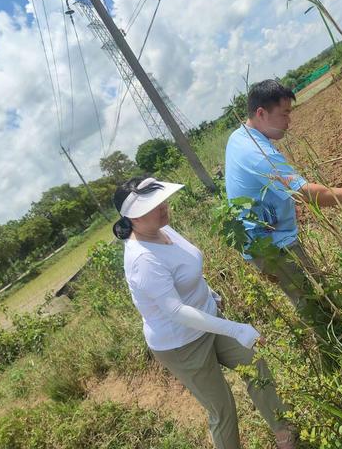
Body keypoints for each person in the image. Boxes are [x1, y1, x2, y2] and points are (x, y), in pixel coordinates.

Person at [112, 176, 296, 449]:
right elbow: (175, 310)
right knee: (222, 409)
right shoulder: (142, 260)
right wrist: (237, 328)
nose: (163, 208)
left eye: (162, 201)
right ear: (133, 218)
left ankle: (285, 435)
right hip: (182, 345)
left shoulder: (163, 229)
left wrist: (209, 294)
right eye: (152, 206)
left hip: (209, 320)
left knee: (254, 363)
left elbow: (187, 268)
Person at [224, 79, 342, 350]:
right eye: (284, 114)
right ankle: (336, 357)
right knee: (314, 303)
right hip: (273, 245)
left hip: (264, 239)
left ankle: (340, 346)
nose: (289, 121)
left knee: (314, 292)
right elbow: (305, 192)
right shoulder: (256, 153)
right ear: (261, 113)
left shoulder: (240, 136)